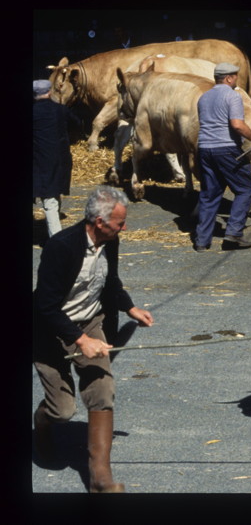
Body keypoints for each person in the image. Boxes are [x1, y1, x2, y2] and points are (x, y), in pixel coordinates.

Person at [33, 185, 155, 492]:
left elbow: (109, 281)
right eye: (119, 223)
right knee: (62, 411)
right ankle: (41, 427)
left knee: (102, 390)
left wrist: (130, 307)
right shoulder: (61, 246)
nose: (124, 228)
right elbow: (44, 305)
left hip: (92, 321)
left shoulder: (110, 241)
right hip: (50, 330)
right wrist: (80, 340)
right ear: (99, 222)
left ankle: (100, 477)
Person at [194, 62, 251, 252]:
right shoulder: (232, 96)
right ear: (228, 78)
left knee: (210, 194)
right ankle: (233, 233)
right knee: (244, 189)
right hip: (226, 148)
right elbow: (237, 125)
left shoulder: (204, 98)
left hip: (204, 148)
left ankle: (202, 241)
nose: (236, 79)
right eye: (235, 76)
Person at [33, 79, 81, 239]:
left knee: (49, 199)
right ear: (50, 92)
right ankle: (57, 240)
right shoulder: (60, 110)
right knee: (52, 198)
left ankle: (56, 242)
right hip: (59, 160)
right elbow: (78, 123)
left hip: (38, 160)